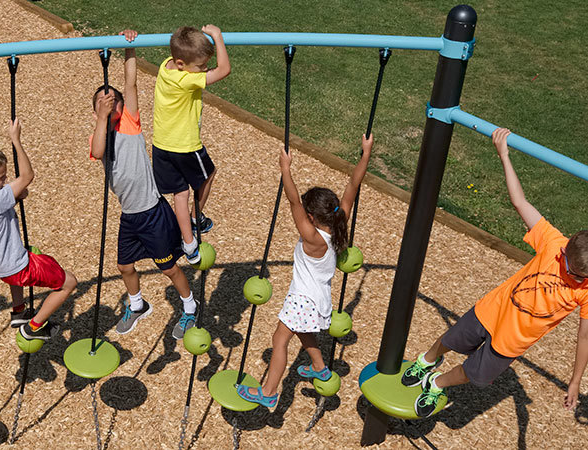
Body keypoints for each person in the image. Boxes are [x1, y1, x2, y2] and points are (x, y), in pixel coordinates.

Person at [401, 128, 588, 418]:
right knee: (451, 339)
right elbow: (520, 203)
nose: (573, 279)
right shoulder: (553, 242)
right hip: (493, 309)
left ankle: (436, 382)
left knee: (474, 374)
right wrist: (504, 154)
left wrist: (574, 381)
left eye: (579, 278)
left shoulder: (586, 290)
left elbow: (585, 337)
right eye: (570, 270)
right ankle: (427, 360)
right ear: (563, 253)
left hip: (513, 340)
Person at [236, 135, 373, 408]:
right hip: (320, 300)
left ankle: (269, 392)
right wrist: (365, 154)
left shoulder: (312, 237)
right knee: (303, 332)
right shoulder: (339, 225)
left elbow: (293, 202)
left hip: (302, 299)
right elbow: (353, 185)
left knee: (279, 340)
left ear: (311, 217)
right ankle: (320, 367)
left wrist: (285, 169)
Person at [90, 30, 197, 339]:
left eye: (113, 103)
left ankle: (190, 306)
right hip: (130, 216)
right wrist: (102, 116)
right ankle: (137, 304)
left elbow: (130, 83)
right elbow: (97, 152)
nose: (108, 106)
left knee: (168, 268)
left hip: (152, 213)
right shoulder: (100, 134)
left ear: (123, 109)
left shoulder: (129, 124)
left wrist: (130, 48)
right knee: (124, 266)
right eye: (102, 104)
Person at [0, 120, 78, 341]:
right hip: (16, 266)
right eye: (1, 179)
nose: (5, 181)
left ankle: (18, 311)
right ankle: (34, 328)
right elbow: (27, 177)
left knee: (26, 254)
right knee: (69, 282)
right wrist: (16, 140)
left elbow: (10, 197)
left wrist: (14, 195)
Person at [152, 25, 230, 264]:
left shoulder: (166, 67)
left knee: (181, 192)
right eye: (201, 66)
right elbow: (224, 69)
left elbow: (182, 43)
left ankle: (189, 244)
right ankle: (195, 218)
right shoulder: (187, 80)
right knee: (208, 174)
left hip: (161, 145)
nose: (205, 69)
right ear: (181, 63)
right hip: (184, 146)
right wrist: (217, 37)